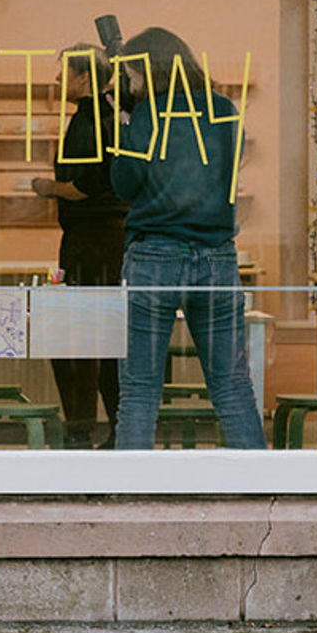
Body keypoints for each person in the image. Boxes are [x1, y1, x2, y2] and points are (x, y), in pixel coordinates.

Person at [108, 26, 268, 451]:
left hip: (154, 256)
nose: (131, 86)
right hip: (216, 257)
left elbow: (124, 184)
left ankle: (133, 495)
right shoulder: (224, 111)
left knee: (141, 390)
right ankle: (258, 491)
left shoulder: (147, 116)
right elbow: (225, 177)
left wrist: (124, 124)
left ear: (151, 71)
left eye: (133, 77)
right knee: (232, 386)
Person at [31, 44, 123, 448]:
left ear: (84, 77)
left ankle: (82, 428)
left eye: (64, 73)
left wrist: (47, 188)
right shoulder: (111, 118)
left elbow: (87, 186)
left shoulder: (94, 123)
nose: (56, 80)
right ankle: (115, 426)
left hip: (93, 244)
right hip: (100, 243)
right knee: (101, 338)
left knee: (80, 338)